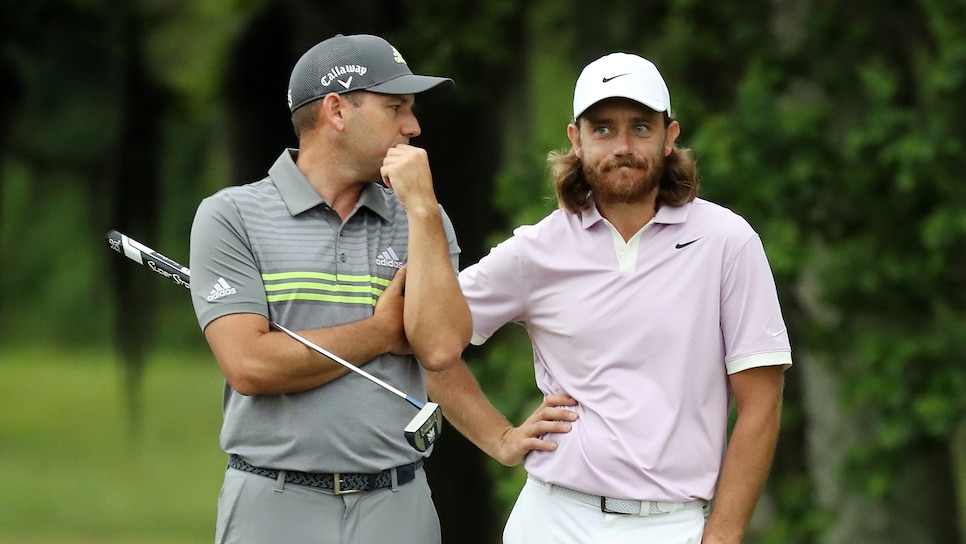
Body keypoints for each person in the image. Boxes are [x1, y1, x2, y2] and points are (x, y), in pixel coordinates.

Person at [427, 52, 792, 543]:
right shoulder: (537, 250)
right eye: (603, 129)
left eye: (640, 127)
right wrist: (500, 438)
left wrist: (722, 537)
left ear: (670, 136)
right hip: (553, 518)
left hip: (675, 522)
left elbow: (762, 402)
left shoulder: (727, 241)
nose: (622, 145)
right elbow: (430, 344)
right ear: (576, 140)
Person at [188, 33, 471, 544]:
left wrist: (425, 211)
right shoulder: (231, 216)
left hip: (397, 500)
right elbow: (251, 365)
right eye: (396, 107)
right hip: (273, 501)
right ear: (337, 111)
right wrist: (383, 331)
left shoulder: (422, 216)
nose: (414, 127)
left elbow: (442, 346)